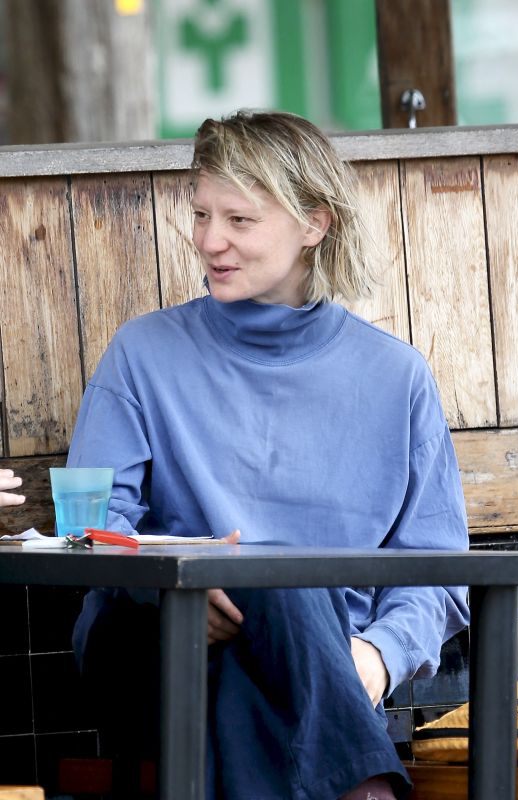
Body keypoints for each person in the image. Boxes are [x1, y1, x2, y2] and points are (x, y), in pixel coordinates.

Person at [68, 110, 469, 800]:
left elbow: (437, 569)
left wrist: (376, 656)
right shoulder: (142, 352)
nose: (209, 241)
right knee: (266, 572)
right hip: (154, 640)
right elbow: (91, 527)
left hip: (321, 662)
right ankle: (366, 786)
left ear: (314, 224)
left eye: (239, 220)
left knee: (272, 614)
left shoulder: (395, 377)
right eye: (200, 215)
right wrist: (178, 585)